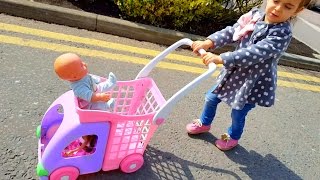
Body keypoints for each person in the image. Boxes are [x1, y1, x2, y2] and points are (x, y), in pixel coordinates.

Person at [186, 0, 311, 151]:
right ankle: (204, 123)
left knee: (238, 112)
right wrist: (210, 42)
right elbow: (232, 31)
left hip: (253, 81)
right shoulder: (255, 16)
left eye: (288, 6)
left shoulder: (282, 34)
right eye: (276, 1)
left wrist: (222, 58)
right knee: (211, 97)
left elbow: (256, 52)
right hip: (233, 74)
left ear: (297, 10)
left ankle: (232, 136)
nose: (278, 8)